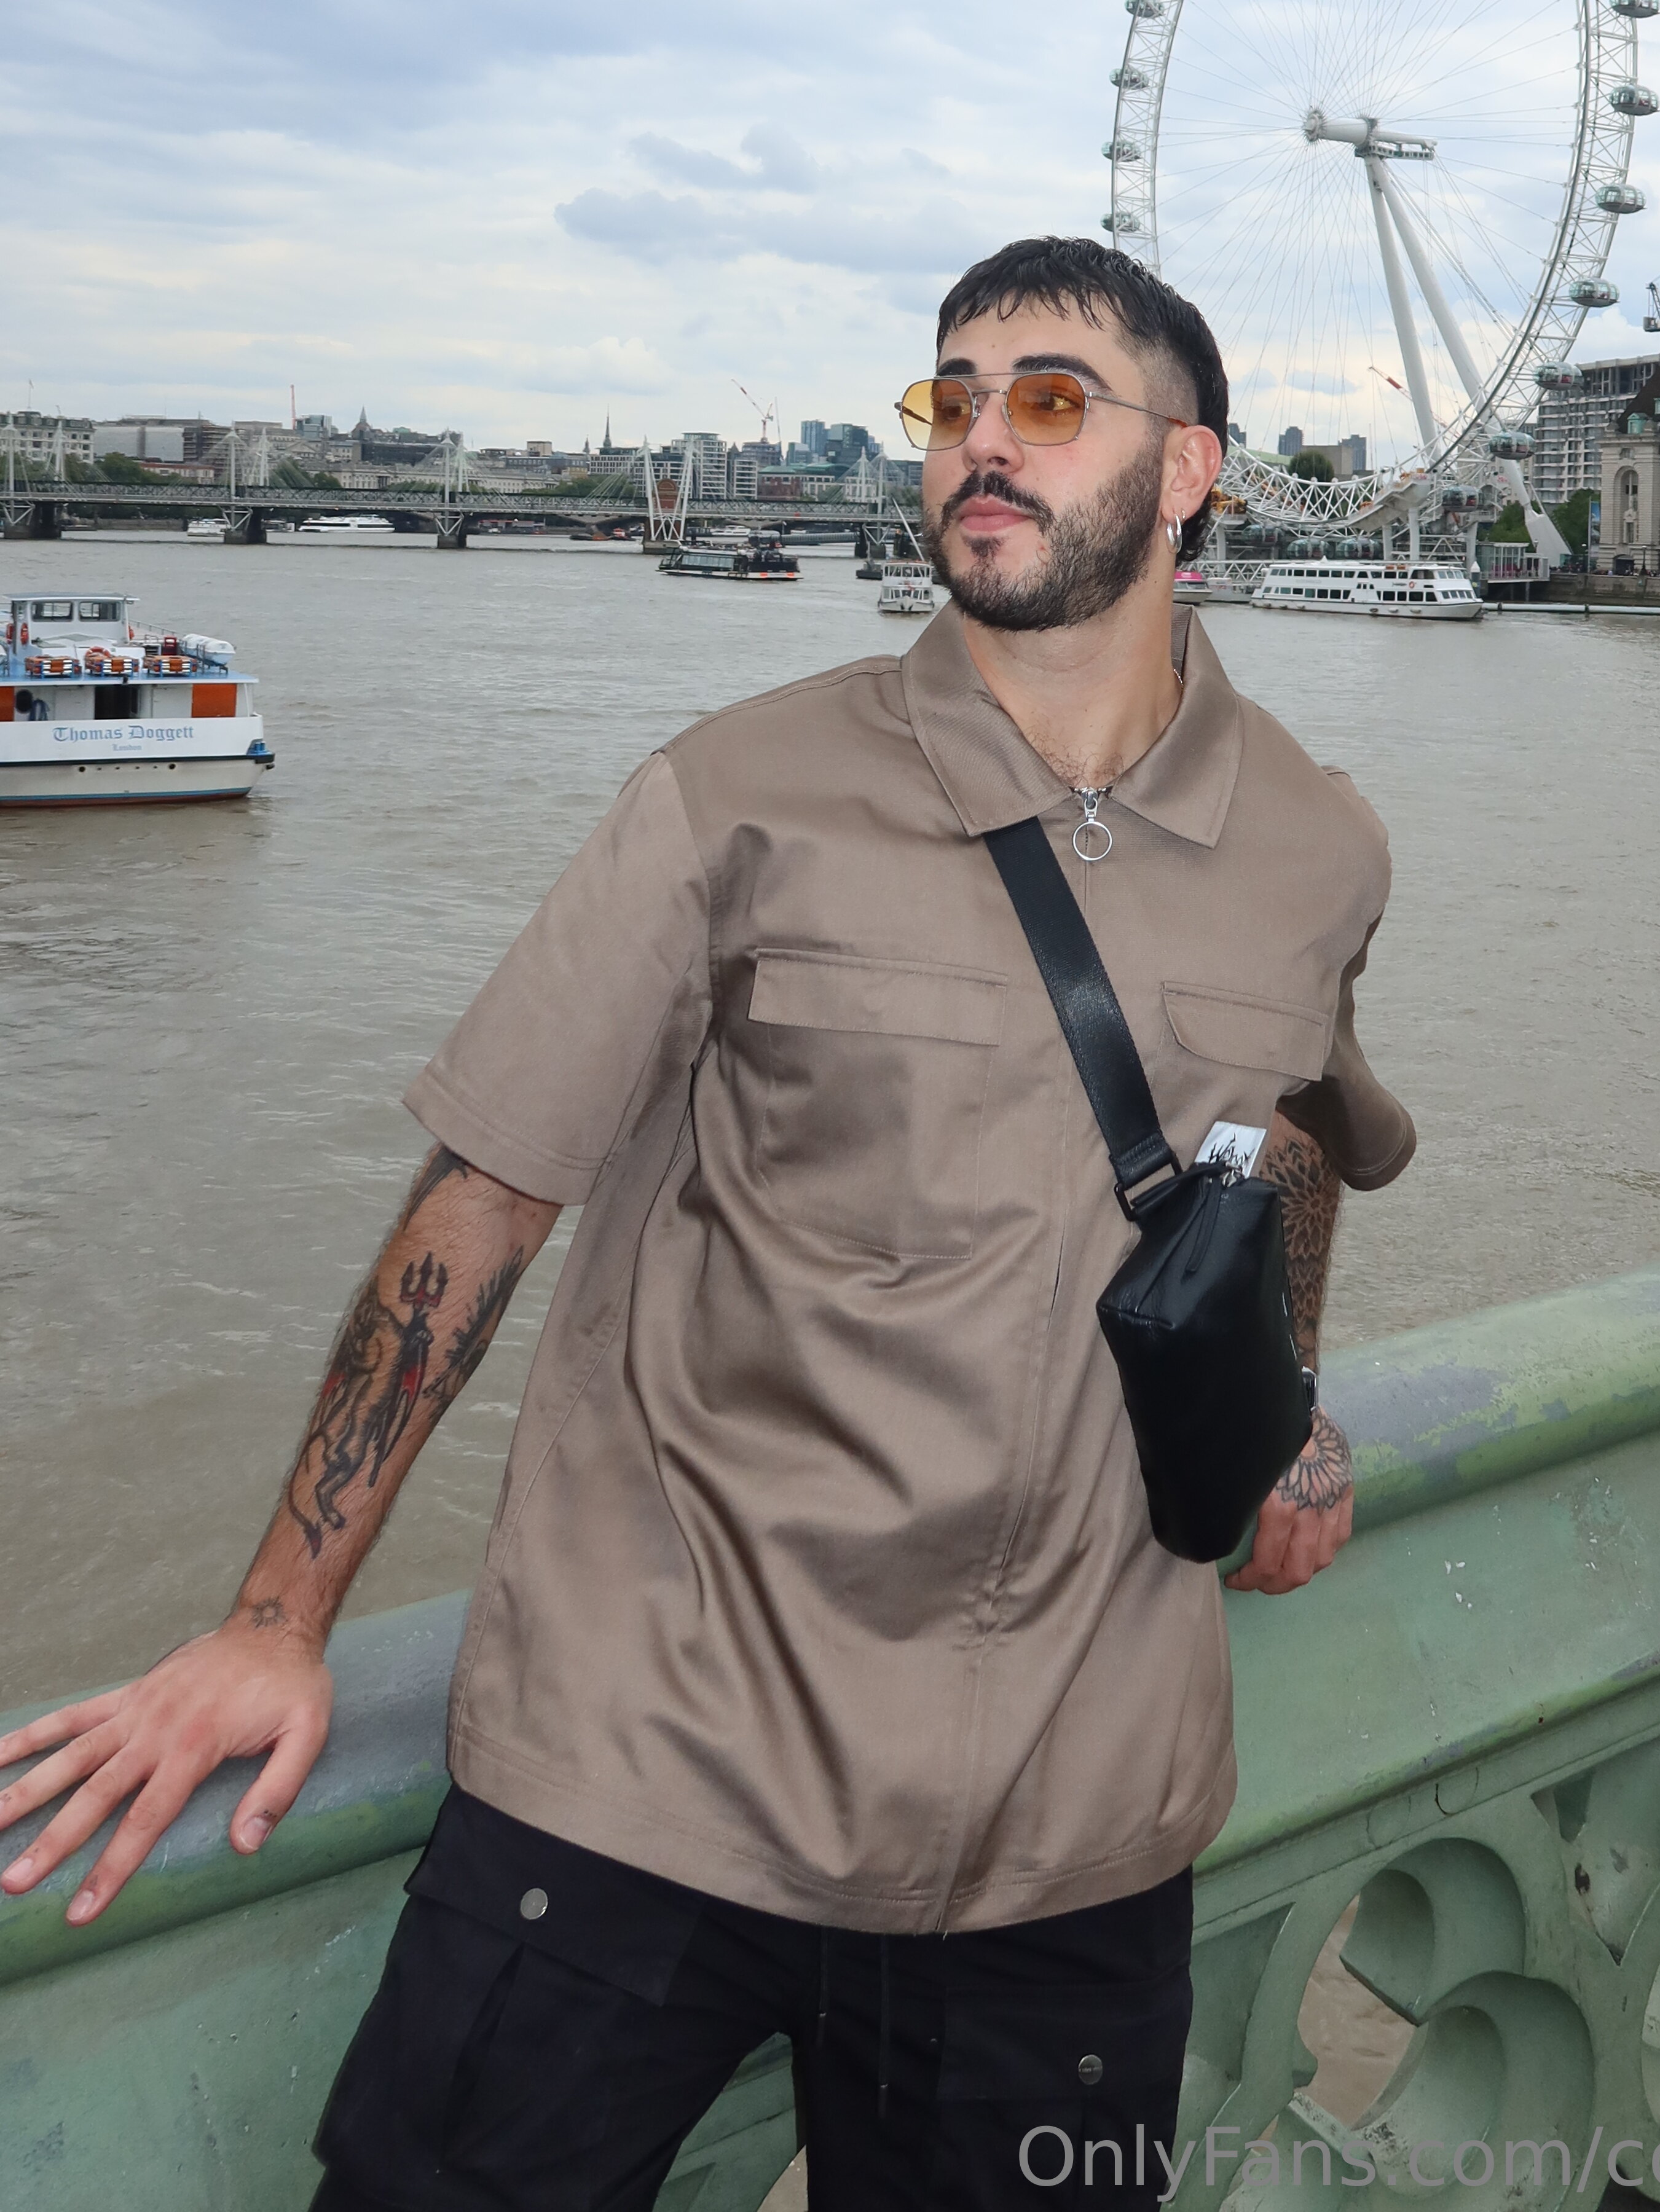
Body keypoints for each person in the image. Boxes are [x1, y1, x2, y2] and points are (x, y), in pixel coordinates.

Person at [0, 237, 1413, 2210]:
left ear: (1192, 472)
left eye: (1050, 401)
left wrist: (1286, 1413)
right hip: (646, 1778)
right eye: (951, 399)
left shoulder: (1317, 846)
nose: (981, 441)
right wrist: (274, 1620)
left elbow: (1293, 1141)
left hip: (1071, 1831)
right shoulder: (739, 793)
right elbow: (484, 1201)